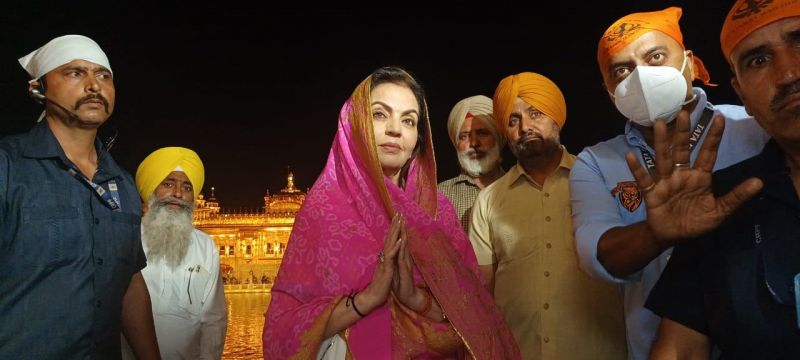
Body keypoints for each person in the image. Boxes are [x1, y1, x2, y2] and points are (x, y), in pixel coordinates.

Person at [262, 66, 520, 359]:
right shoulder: (322, 211)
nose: (395, 129)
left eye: (409, 120)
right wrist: (368, 299)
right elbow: (282, 325)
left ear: (417, 141)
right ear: (355, 123)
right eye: (380, 114)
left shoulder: (437, 212)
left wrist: (414, 297)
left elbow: (477, 315)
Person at [569, 7, 771, 359]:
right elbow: (597, 255)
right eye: (622, 70)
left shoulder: (755, 129)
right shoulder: (596, 162)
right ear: (609, 90)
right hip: (656, 347)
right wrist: (656, 234)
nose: (641, 76)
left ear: (690, 63)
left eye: (655, 57)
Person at [644, 1, 800, 358]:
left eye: (799, 40)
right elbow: (679, 350)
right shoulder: (715, 205)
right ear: (742, 93)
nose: (788, 73)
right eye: (758, 60)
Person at [0, 35, 159, 359]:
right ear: (38, 89)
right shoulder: (8, 168)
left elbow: (129, 280)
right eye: (75, 73)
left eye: (104, 75)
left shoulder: (123, 185)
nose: (93, 85)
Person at [470, 72, 627, 359]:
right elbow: (482, 294)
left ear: (557, 118)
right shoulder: (488, 200)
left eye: (535, 113)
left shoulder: (601, 179)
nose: (525, 127)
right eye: (513, 120)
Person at [120, 147, 227, 359]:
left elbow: (214, 319)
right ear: (150, 189)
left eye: (187, 187)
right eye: (168, 184)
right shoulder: (124, 238)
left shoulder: (204, 246)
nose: (178, 194)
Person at [438, 95, 505, 233]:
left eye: (482, 133)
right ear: (456, 144)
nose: (474, 143)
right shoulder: (439, 195)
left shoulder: (518, 189)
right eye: (464, 136)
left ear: (498, 138)